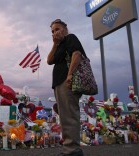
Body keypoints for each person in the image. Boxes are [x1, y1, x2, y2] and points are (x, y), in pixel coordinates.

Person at [47, 19, 87, 156]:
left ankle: (73, 149)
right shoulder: (59, 45)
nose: (55, 32)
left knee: (70, 114)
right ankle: (68, 148)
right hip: (58, 82)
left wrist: (70, 75)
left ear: (65, 28)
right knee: (64, 115)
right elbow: (49, 60)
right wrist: (55, 44)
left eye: (57, 29)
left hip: (67, 81)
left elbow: (77, 54)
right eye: (52, 31)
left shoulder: (70, 38)